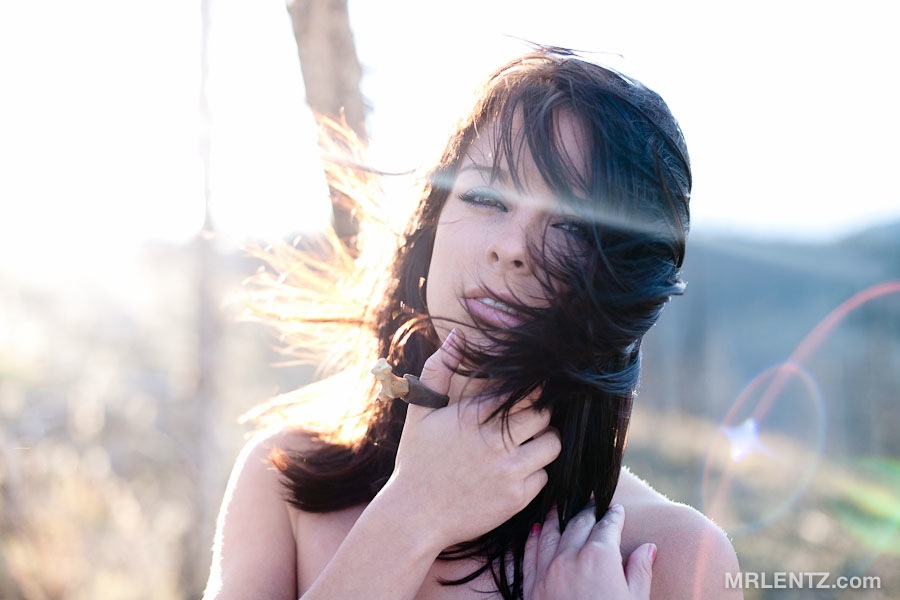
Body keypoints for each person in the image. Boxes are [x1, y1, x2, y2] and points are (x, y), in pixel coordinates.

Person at [204, 46, 741, 600]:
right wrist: (411, 515)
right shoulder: (287, 477)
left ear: (625, 278)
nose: (511, 247)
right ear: (434, 217)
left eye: (573, 225)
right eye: (487, 197)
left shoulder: (672, 557)